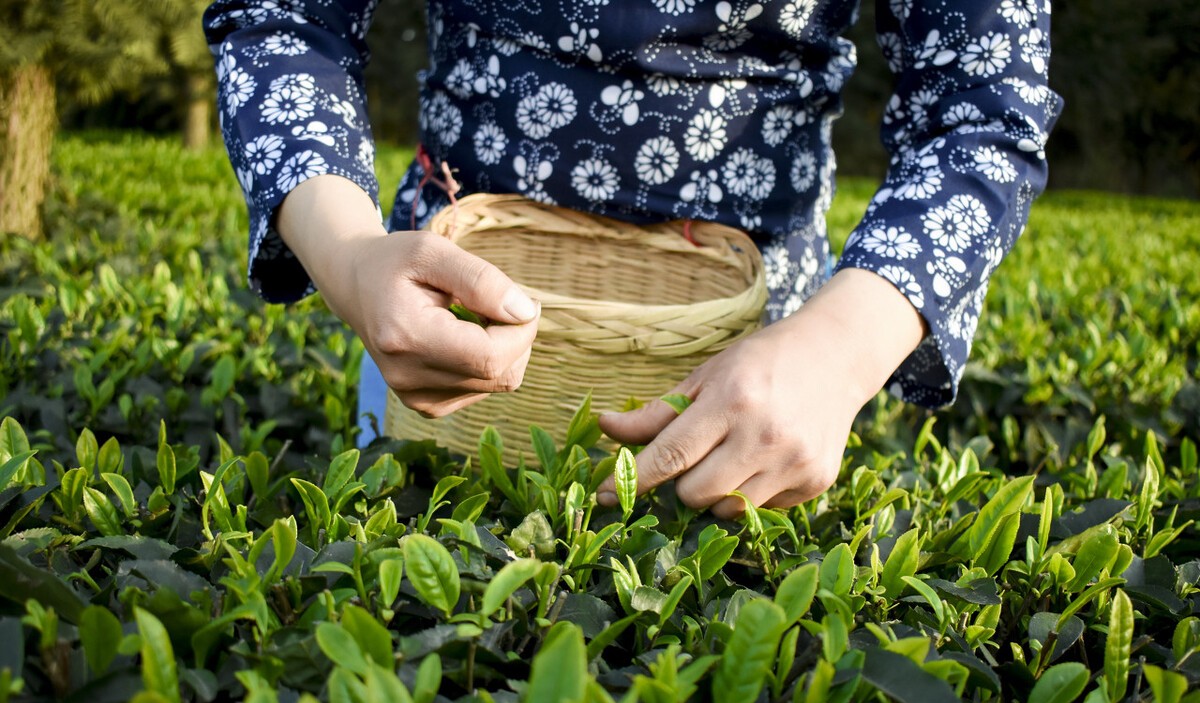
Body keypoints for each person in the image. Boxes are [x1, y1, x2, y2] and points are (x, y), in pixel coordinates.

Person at [203, 0, 1060, 518]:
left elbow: (982, 112)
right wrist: (348, 256)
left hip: (759, 388)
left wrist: (839, 353)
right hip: (435, 336)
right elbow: (284, 18)